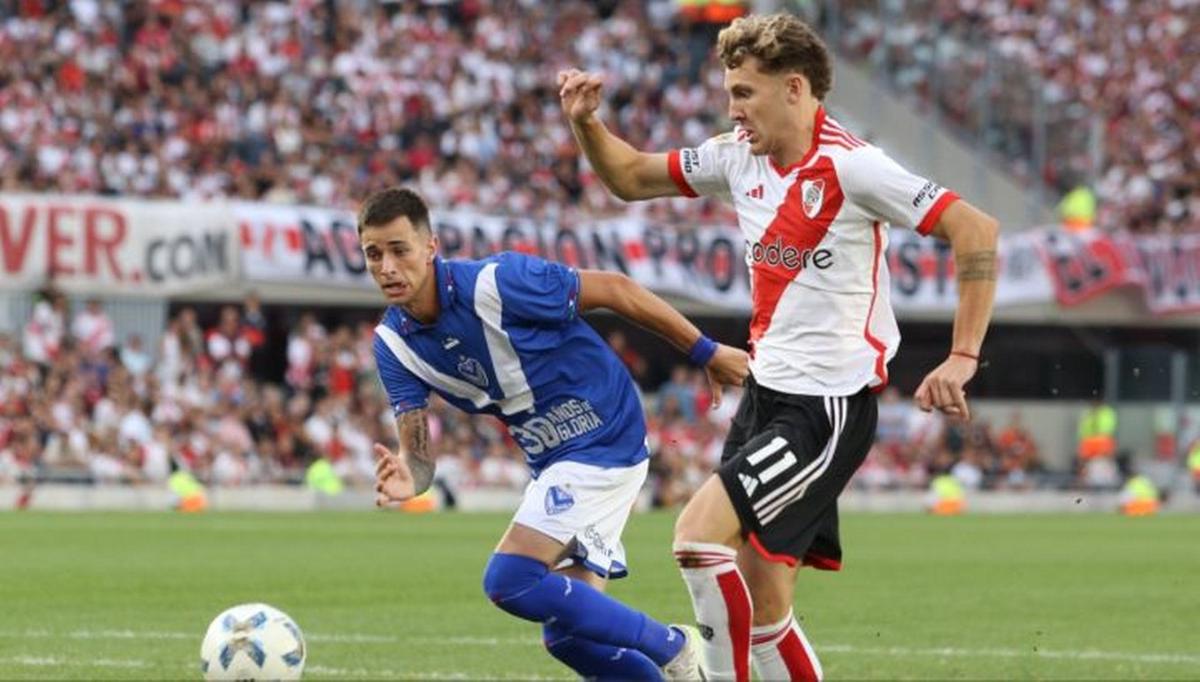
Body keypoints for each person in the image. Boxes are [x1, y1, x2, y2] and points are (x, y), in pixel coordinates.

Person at [558, 13, 999, 681]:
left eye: (744, 92)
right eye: (730, 92)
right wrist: (587, 124)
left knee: (697, 539)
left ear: (795, 88)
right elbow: (631, 178)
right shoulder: (739, 156)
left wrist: (963, 356)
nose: (732, 109)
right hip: (767, 397)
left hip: (827, 410)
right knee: (764, 611)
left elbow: (976, 229)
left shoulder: (854, 167)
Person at [363, 187, 749, 680]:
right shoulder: (393, 345)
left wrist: (705, 352)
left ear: (431, 246)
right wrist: (409, 478)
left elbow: (616, 289)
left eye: (400, 249)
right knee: (569, 636)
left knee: (509, 580)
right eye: (374, 254)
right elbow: (417, 456)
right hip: (554, 456)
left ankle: (673, 647)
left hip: (603, 431)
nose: (388, 267)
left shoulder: (497, 283)